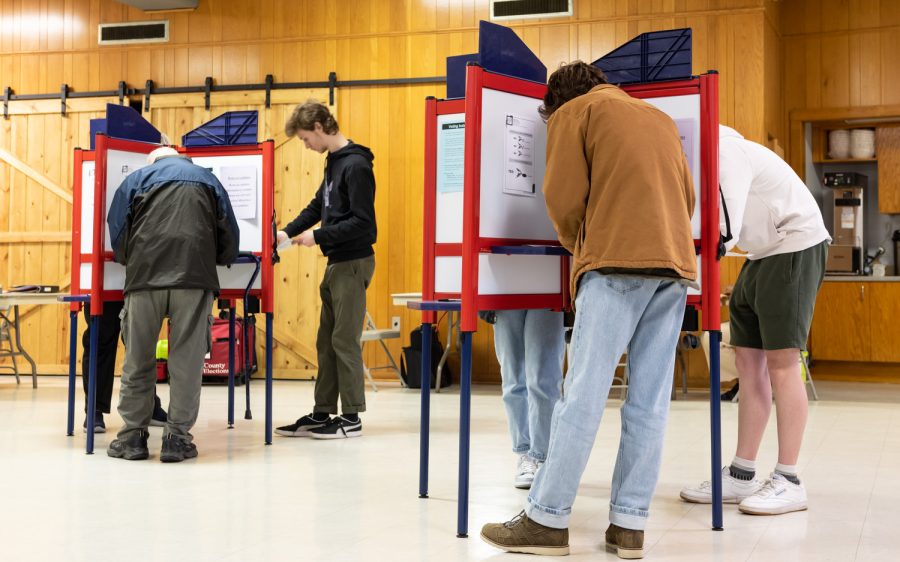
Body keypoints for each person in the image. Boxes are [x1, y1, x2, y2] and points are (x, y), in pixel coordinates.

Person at [481, 61, 696, 559]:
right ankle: (629, 525)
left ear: (555, 101)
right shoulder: (657, 117)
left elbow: (561, 199)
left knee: (581, 396)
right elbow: (686, 198)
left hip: (616, 262)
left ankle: (547, 519)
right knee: (647, 401)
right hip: (674, 266)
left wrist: (581, 243)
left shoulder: (574, 114)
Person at [679, 124, 830, 515]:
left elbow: (721, 229)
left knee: (782, 364)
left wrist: (691, 272)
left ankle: (789, 479)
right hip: (760, 253)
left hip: (794, 243)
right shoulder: (699, 159)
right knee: (748, 362)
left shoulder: (725, 151)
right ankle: (741, 474)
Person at [105, 145, 239, 462]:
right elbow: (229, 236)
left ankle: (132, 438)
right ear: (182, 158)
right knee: (187, 362)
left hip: (144, 280)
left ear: (153, 160)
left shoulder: (135, 180)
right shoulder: (209, 181)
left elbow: (118, 233)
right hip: (194, 280)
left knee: (138, 359)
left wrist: (131, 260)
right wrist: (218, 258)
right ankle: (177, 439)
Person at [273, 100, 376, 440]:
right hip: (336, 263)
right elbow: (320, 205)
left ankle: (351, 416)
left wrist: (316, 236)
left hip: (352, 261)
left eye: (305, 139)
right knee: (325, 341)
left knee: (344, 340)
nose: (306, 145)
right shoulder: (334, 163)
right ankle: (322, 413)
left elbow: (364, 224)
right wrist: (286, 233)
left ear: (318, 127)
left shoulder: (357, 165)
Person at [483, 309, 565, 488]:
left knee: (545, 380)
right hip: (505, 295)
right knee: (513, 379)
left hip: (547, 293)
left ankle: (544, 457)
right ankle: (525, 453)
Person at [81, 300, 167, 433]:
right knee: (100, 340)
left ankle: (148, 406)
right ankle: (94, 409)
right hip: (102, 285)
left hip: (138, 284)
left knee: (141, 342)